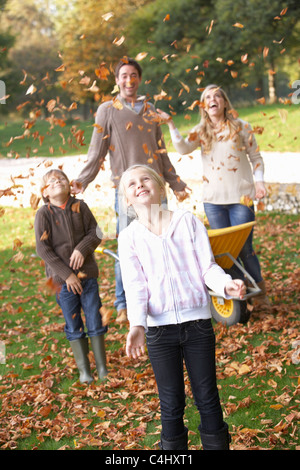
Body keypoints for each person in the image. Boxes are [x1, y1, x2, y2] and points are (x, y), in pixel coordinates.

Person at [117, 164, 246, 450]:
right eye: (131, 184)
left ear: (160, 186)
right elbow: (136, 287)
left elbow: (207, 268)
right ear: (126, 199)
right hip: (159, 332)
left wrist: (226, 286)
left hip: (197, 326)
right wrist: (137, 324)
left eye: (145, 178)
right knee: (171, 402)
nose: (139, 185)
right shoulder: (128, 238)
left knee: (207, 396)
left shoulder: (188, 222)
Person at [72, 57, 189, 324]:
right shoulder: (107, 110)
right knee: (129, 245)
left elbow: (161, 152)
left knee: (161, 244)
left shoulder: (151, 110)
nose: (129, 80)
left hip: (155, 188)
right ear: (117, 80)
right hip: (127, 190)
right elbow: (96, 151)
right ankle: (123, 302)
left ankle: (159, 296)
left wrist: (176, 183)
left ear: (139, 79)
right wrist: (83, 180)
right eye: (123, 75)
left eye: (133, 75)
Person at [157, 84, 269, 306]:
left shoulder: (242, 127)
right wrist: (170, 123)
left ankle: (261, 293)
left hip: (241, 199)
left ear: (225, 102)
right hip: (213, 202)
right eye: (207, 97)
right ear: (204, 106)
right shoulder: (201, 131)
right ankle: (239, 294)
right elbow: (181, 148)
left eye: (217, 95)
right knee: (227, 252)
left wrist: (260, 183)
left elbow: (256, 159)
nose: (212, 99)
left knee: (245, 249)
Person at [34, 169, 108, 384]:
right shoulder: (44, 214)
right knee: (73, 323)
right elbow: (43, 249)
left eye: (62, 178)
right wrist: (67, 275)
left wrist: (81, 249)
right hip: (62, 282)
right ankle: (84, 370)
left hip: (88, 276)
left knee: (94, 317)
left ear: (69, 184)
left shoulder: (80, 206)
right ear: (45, 192)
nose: (58, 181)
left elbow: (97, 232)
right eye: (51, 181)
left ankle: (102, 368)